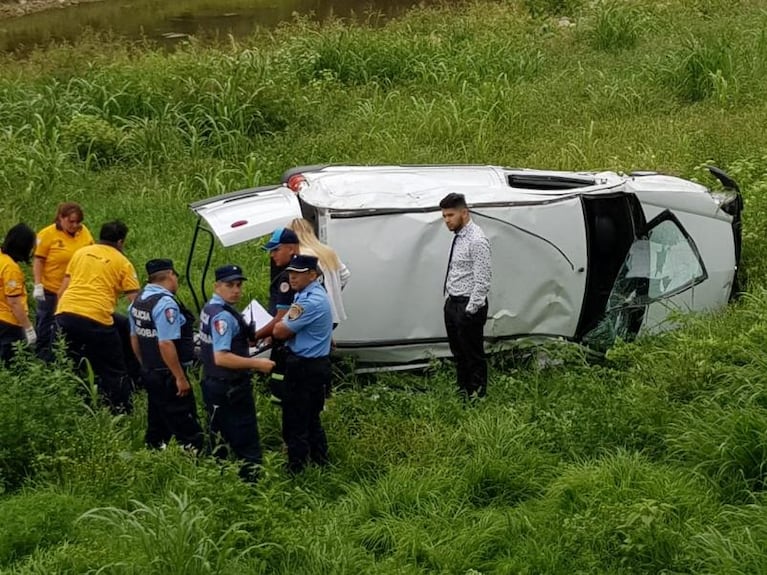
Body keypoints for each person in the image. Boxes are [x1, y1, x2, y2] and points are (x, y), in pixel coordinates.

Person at [199, 264, 275, 482]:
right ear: (217, 286)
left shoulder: (210, 309)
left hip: (212, 383)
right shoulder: (223, 317)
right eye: (229, 285)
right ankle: (252, 486)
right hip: (231, 387)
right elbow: (221, 357)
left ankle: (219, 479)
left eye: (239, 285)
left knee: (218, 435)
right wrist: (257, 364)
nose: (236, 290)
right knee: (246, 437)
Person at [55, 220, 140, 413]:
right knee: (113, 368)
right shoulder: (122, 262)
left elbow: (63, 290)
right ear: (120, 242)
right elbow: (136, 301)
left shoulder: (81, 253)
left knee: (73, 364)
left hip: (65, 314)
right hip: (96, 319)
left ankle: (78, 407)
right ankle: (122, 410)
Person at [129, 259, 203, 451]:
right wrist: (179, 377)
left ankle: (154, 451)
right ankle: (193, 455)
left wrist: (145, 365)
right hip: (168, 373)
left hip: (151, 370)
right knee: (184, 420)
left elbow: (134, 337)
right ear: (171, 274)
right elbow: (166, 342)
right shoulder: (165, 303)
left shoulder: (139, 299)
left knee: (158, 418)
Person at [273, 254, 333, 474]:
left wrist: (282, 321)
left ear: (312, 274)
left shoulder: (308, 301)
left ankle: (296, 468)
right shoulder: (313, 294)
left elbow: (280, 331)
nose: (292, 277)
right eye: (290, 272)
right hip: (315, 364)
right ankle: (320, 461)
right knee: (310, 417)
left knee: (295, 418)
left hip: (304, 367)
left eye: (297, 273)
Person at [440, 192, 492, 399]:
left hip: (468, 305)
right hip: (453, 302)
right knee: (458, 352)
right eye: (444, 216)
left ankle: (478, 395)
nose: (447, 220)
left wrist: (470, 310)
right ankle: (463, 390)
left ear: (464, 212)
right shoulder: (460, 237)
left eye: (450, 215)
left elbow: (483, 280)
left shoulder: (477, 240)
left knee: (472, 354)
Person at [32, 202, 94, 361]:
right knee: (47, 324)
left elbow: (91, 252)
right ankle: (43, 357)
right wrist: (38, 284)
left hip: (75, 291)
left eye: (77, 222)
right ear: (61, 218)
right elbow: (38, 260)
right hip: (51, 290)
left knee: (71, 327)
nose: (74, 225)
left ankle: (69, 356)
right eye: (71, 221)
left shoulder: (83, 232)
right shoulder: (47, 235)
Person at [254, 227, 300, 403]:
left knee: (283, 390)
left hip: (289, 345)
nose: (272, 255)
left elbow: (281, 317)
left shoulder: (288, 276)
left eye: (276, 249)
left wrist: (255, 336)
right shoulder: (309, 270)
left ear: (291, 248)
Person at [288, 218, 351, 327]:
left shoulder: (300, 256)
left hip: (312, 314)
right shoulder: (327, 251)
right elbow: (345, 275)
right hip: (333, 313)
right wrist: (333, 292)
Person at [0, 224, 37, 364]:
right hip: (9, 322)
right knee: (14, 364)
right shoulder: (10, 268)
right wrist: (28, 328)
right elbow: (14, 303)